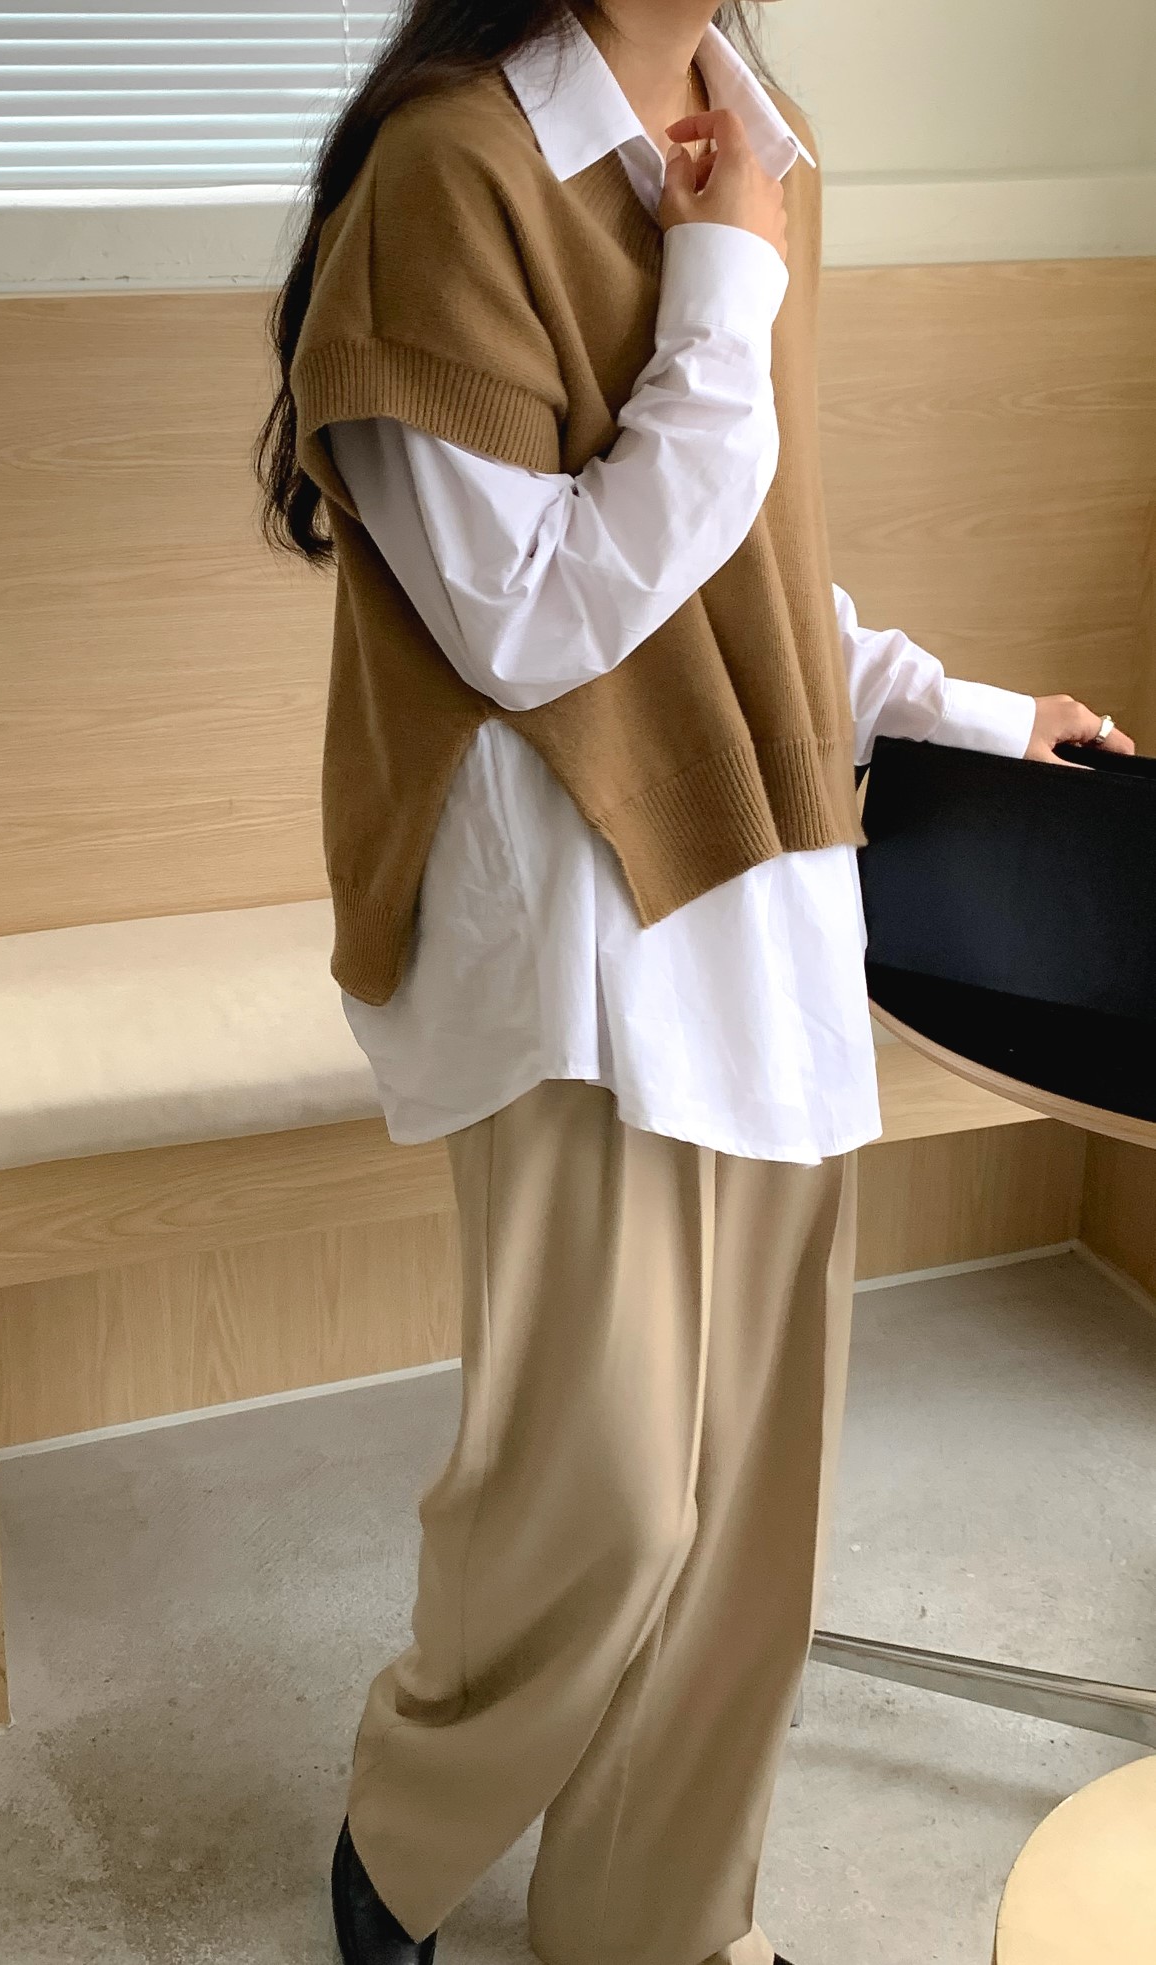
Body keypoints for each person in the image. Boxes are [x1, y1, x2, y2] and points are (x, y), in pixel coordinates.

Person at [255, 4, 1136, 1961]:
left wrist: (965, 710)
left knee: (748, 1512)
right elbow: (533, 620)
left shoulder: (750, 132)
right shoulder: (454, 171)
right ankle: (405, 1827)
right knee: (604, 1493)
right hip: (571, 934)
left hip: (761, 888)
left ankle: (651, 1922)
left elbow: (745, 561)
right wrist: (725, 279)